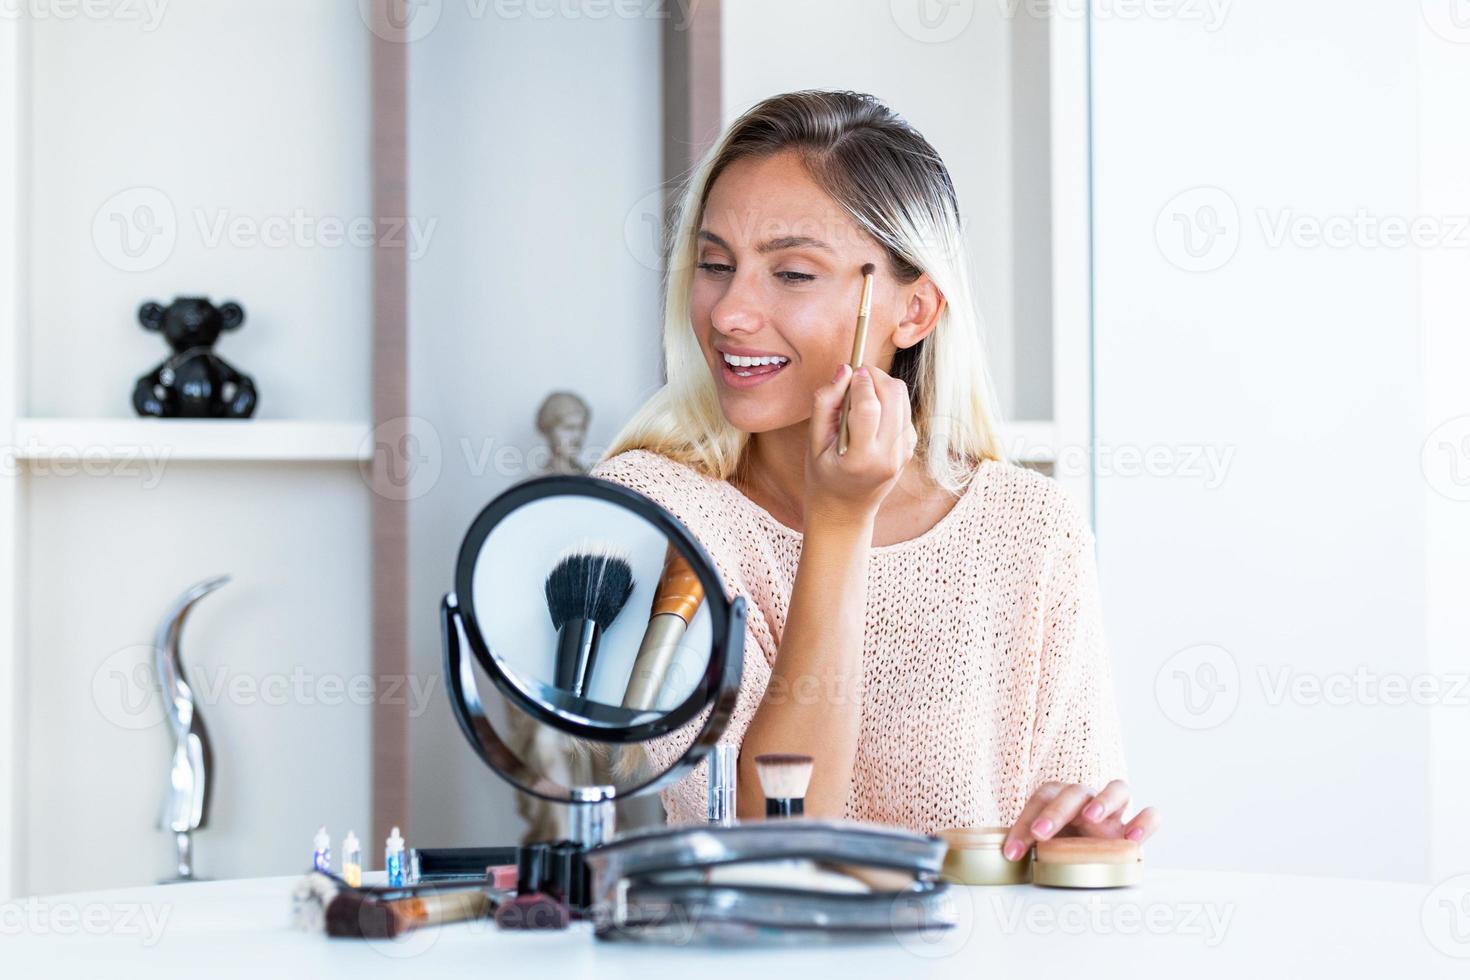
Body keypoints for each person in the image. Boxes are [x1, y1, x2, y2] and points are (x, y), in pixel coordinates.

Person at [591, 90, 1158, 858]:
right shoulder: (656, 513)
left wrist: (1077, 829)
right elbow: (772, 843)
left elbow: (1070, 851)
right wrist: (839, 523)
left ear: (914, 311)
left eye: (791, 274)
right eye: (714, 264)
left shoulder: (1032, 528)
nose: (728, 311)